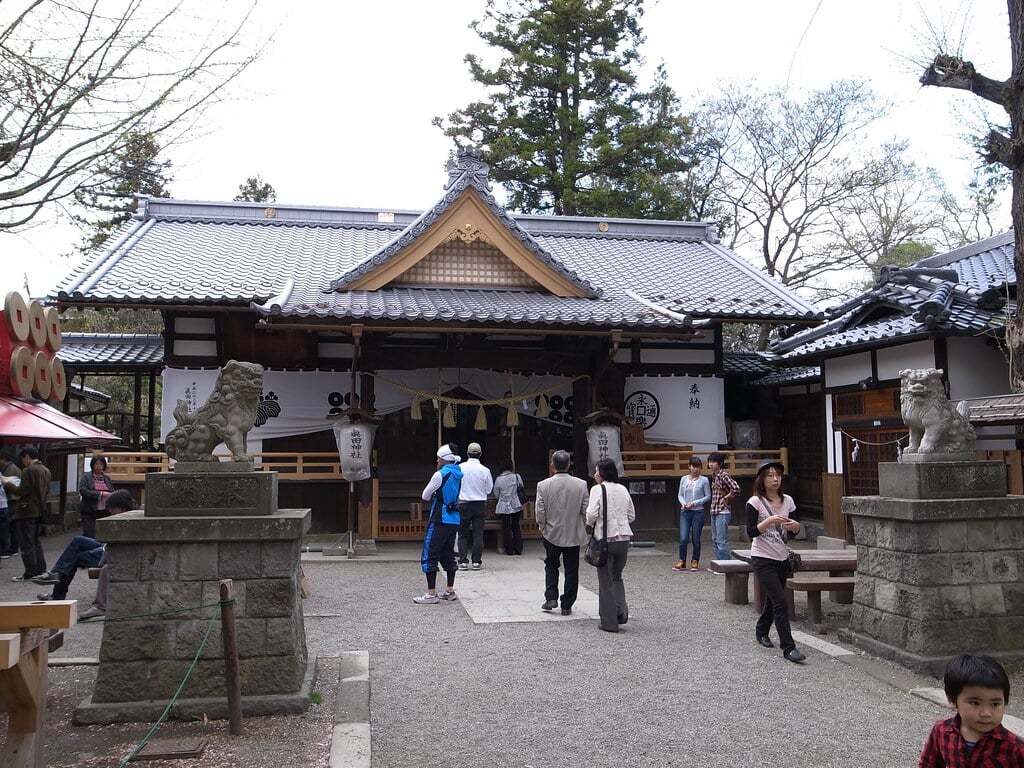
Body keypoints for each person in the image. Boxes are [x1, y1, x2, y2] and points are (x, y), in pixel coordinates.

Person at [745, 459, 805, 663]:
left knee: (773, 600)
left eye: (777, 475)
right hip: (762, 557)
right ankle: (789, 648)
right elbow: (751, 532)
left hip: (782, 557)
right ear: (762, 479)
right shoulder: (754, 502)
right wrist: (769, 521)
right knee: (780, 601)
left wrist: (795, 527)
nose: (775, 479)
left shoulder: (788, 501)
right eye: (770, 475)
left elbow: (794, 531)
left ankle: (761, 630)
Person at [919, 653, 1024, 767]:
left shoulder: (1014, 748)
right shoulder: (941, 731)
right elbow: (928, 764)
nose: (986, 713)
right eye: (975, 703)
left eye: (995, 704)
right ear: (952, 700)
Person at [35, 489, 135, 605]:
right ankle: (56, 574)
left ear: (123, 508)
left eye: (113, 508)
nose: (110, 511)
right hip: (106, 547)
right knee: (78, 541)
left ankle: (57, 594)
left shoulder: (129, 521)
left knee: (74, 558)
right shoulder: (123, 517)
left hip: (110, 553)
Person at [535, 450, 588, 615]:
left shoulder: (543, 485)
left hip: (551, 531)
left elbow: (540, 511)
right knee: (572, 569)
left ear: (552, 465)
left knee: (551, 565)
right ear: (569, 464)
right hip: (573, 531)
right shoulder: (581, 484)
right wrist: (584, 525)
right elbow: (586, 510)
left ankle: (551, 597)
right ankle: (567, 604)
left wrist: (542, 526)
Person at [587, 458, 635, 633]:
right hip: (624, 538)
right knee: (617, 576)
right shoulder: (622, 489)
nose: (595, 474)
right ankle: (621, 611)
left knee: (605, 580)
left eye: (596, 471)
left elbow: (591, 514)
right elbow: (631, 515)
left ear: (602, 473)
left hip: (606, 539)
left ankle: (609, 622)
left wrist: (590, 523)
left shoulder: (597, 489)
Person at [414, 443, 464, 604]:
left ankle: (431, 593)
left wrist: (436, 494)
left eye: (439, 458)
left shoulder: (440, 474)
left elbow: (425, 495)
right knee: (447, 553)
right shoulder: (458, 473)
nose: (437, 461)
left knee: (430, 554)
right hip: (454, 518)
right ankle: (449, 590)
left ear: (444, 460)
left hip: (440, 517)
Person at [2, 446, 49, 581]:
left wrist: (6, 483)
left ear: (27, 457)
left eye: (23, 458)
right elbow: (47, 490)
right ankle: (40, 569)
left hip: (27, 511)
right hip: (39, 510)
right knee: (35, 541)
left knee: (26, 543)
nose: (23, 461)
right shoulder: (45, 470)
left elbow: (22, 491)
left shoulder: (28, 470)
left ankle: (30, 572)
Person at [457, 441, 493, 570]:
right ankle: (476, 561)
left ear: (467, 453)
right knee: (478, 533)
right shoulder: (485, 470)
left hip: (464, 503)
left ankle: (463, 561)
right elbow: (489, 489)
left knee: (462, 533)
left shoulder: (460, 468)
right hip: (479, 504)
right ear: (480, 454)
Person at [675, 456, 711, 572]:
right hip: (685, 511)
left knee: (696, 538)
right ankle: (682, 560)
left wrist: (695, 503)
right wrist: (684, 503)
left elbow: (708, 496)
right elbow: (680, 494)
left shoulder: (704, 480)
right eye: (694, 466)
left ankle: (695, 560)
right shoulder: (684, 479)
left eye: (698, 467)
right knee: (683, 538)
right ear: (689, 467)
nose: (696, 469)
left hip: (698, 512)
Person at [707, 451, 740, 567]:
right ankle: (719, 564)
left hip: (723, 510)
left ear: (720, 463)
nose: (711, 464)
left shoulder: (724, 475)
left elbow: (736, 488)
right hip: (714, 509)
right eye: (709, 462)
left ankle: (726, 566)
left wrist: (726, 497)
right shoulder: (714, 476)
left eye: (713, 462)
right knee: (715, 539)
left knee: (721, 540)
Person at [78, 454, 115, 539]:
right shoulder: (86, 477)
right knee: (90, 534)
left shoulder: (106, 478)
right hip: (90, 510)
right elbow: (83, 491)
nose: (99, 466)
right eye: (96, 464)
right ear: (92, 465)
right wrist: (100, 494)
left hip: (104, 511)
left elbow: (112, 491)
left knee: (103, 534)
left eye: (101, 464)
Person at [492, 462, 524, 556]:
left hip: (504, 504)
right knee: (516, 526)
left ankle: (509, 550)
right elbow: (521, 487)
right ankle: (518, 549)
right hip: (516, 503)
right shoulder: (517, 476)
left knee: (506, 527)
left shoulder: (499, 479)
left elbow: (496, 493)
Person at [0, 449, 20, 558]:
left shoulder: (9, 470)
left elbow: (7, 486)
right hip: (15, 499)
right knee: (13, 526)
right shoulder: (15, 468)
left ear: (3, 459)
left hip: (10, 499)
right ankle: (14, 549)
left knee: (6, 525)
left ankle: (6, 550)